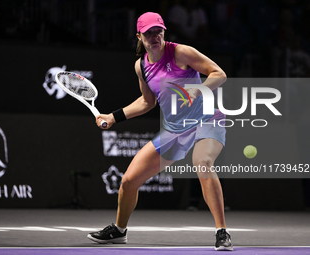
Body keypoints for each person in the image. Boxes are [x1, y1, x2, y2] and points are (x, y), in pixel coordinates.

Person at [88, 12, 233, 251]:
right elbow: (147, 102)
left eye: (158, 31)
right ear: (139, 36)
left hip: (207, 119)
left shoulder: (181, 52)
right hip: (174, 130)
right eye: (149, 33)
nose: (155, 37)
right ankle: (119, 230)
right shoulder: (141, 66)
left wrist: (198, 91)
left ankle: (222, 232)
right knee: (128, 181)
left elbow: (219, 74)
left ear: (164, 32)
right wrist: (113, 117)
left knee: (203, 162)